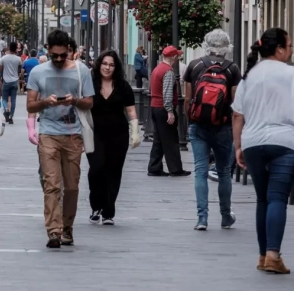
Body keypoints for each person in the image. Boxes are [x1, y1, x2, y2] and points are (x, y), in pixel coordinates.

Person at [232, 27, 294, 274]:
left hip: (253, 142)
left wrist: (238, 147)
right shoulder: (291, 74)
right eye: (289, 46)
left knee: (262, 199)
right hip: (285, 142)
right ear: (279, 49)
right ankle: (272, 255)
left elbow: (238, 115)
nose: (290, 51)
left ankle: (261, 255)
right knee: (278, 198)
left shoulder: (249, 76)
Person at [26, 30, 94, 248]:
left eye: (62, 55)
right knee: (52, 184)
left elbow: (90, 102)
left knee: (72, 187)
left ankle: (67, 228)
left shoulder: (81, 70)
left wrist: (74, 101)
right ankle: (54, 231)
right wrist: (46, 102)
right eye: (54, 55)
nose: (58, 59)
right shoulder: (37, 72)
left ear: (69, 51)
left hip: (73, 135)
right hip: (48, 133)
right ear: (48, 49)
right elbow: (30, 105)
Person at [183, 29, 241, 231]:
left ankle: (202, 218)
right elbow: (235, 103)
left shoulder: (194, 66)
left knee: (200, 171)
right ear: (227, 47)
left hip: (198, 125)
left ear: (206, 45)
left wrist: (190, 119)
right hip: (223, 126)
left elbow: (188, 99)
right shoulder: (232, 69)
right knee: (224, 173)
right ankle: (225, 216)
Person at [86, 50, 141, 226]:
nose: (107, 68)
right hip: (95, 134)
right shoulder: (90, 84)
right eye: (104, 64)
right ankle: (96, 205)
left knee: (113, 172)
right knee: (96, 169)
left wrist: (134, 132)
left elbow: (131, 111)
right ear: (99, 64)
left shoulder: (123, 86)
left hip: (118, 135)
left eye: (111, 65)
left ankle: (108, 211)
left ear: (115, 67)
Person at [147, 46, 190, 177]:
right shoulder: (168, 71)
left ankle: (154, 167)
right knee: (171, 140)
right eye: (177, 55)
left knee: (158, 139)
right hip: (163, 108)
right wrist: (170, 111)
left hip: (155, 107)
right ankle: (175, 169)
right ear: (174, 57)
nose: (178, 58)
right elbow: (167, 93)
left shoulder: (157, 69)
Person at [0, 41, 23, 124]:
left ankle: (5, 108)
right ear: (16, 48)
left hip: (5, 81)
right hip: (15, 81)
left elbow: (0, 69)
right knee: (13, 100)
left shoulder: (4, 58)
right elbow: (20, 69)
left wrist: (1, 78)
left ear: (9, 48)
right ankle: (11, 116)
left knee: (4, 98)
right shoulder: (18, 59)